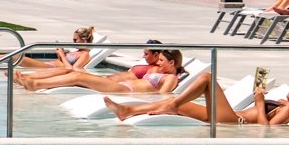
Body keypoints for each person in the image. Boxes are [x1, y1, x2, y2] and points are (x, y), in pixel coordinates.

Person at [105, 70, 289, 127]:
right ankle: (128, 111)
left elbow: (267, 130)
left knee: (207, 79)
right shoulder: (283, 103)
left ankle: (172, 105)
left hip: (234, 121)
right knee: (184, 105)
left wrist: (259, 103)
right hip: (230, 116)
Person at [40, 45, 183, 96]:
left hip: (125, 91)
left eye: (162, 61)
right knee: (77, 77)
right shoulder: (160, 73)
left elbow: (162, 96)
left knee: (78, 77)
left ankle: (37, 84)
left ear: (172, 63)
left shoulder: (170, 78)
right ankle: (36, 81)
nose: (159, 62)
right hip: (121, 87)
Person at [0, 26, 92, 80]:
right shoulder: (77, 51)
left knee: (18, 57)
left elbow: (73, 70)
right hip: (47, 65)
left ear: (84, 40)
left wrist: (61, 55)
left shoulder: (85, 55)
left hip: (49, 68)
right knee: (16, 57)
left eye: (75, 39)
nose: (73, 41)